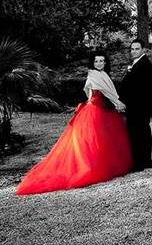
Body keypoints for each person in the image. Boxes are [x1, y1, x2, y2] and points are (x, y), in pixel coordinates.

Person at [16, 51, 133, 195]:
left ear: (105, 62)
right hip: (95, 109)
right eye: (96, 61)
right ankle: (93, 167)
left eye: (102, 61)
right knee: (92, 141)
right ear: (92, 63)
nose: (99, 64)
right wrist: (117, 103)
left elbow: (92, 90)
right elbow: (103, 91)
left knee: (103, 140)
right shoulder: (93, 74)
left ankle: (105, 165)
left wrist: (113, 102)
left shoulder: (103, 74)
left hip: (103, 109)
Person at [118, 39, 152, 171]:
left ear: (143, 50)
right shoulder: (138, 63)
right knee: (142, 132)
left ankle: (139, 163)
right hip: (138, 105)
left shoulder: (144, 64)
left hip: (138, 106)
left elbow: (136, 88)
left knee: (137, 133)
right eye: (132, 49)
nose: (134, 51)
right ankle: (145, 161)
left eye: (137, 49)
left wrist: (124, 101)